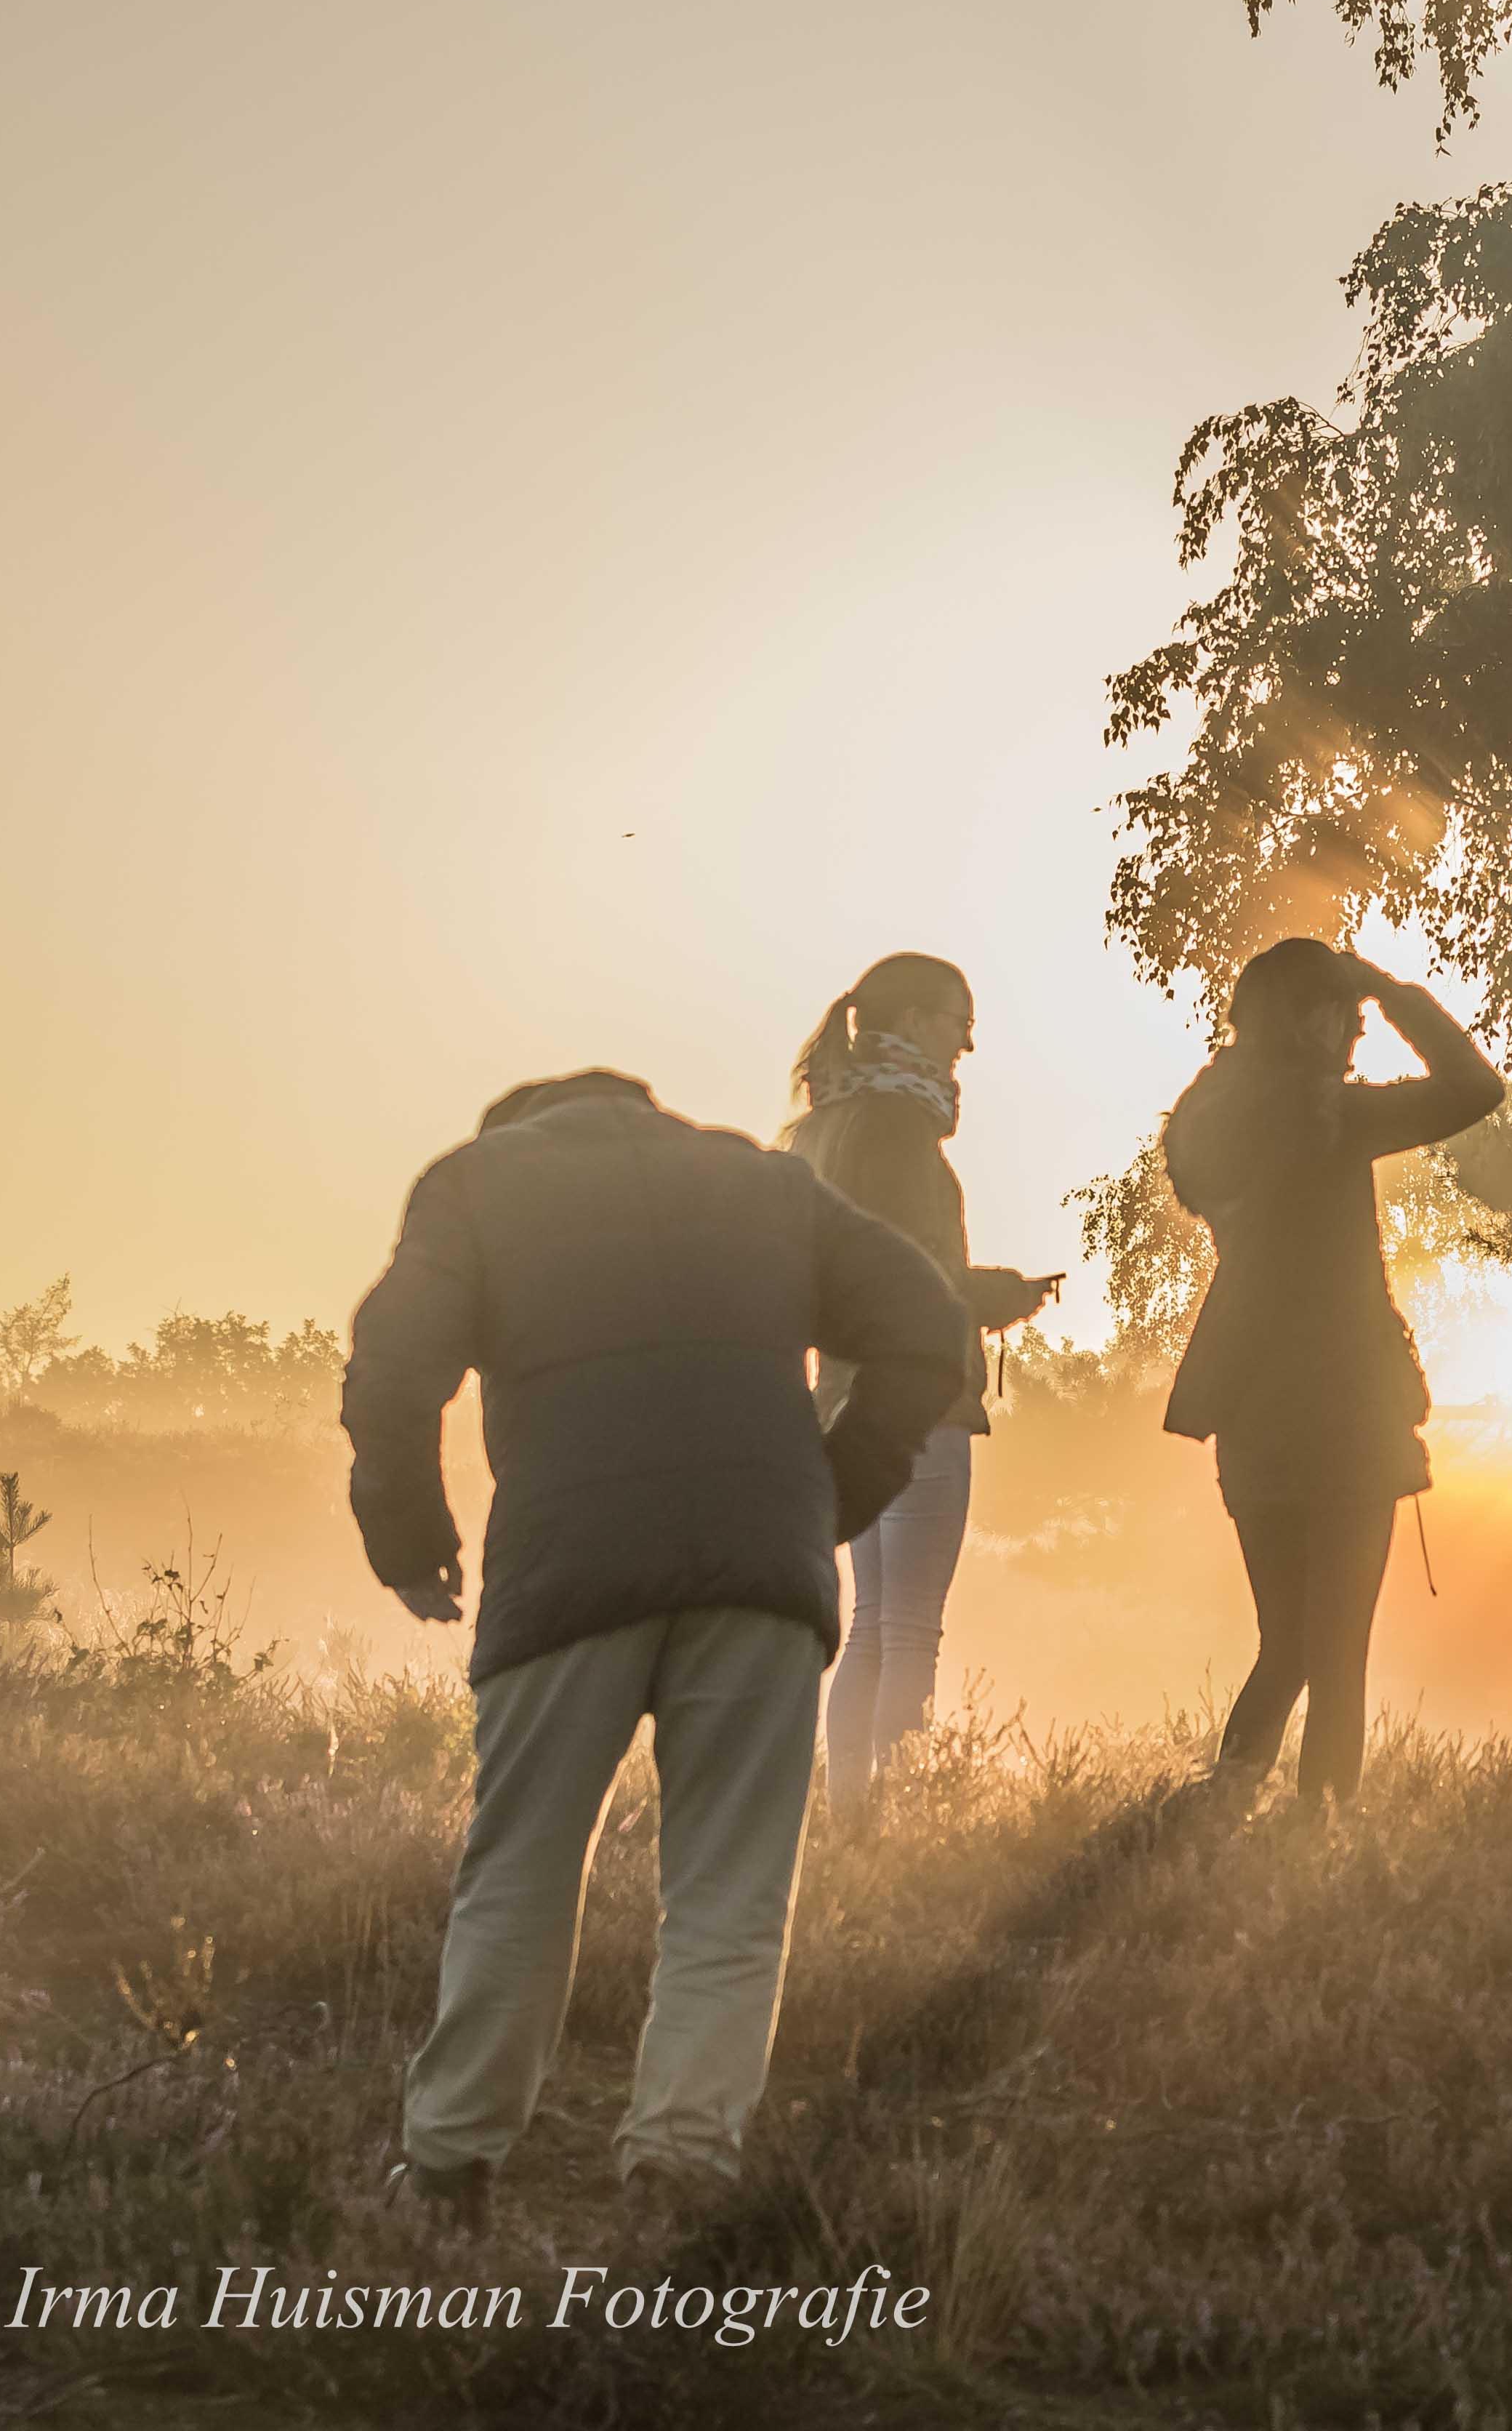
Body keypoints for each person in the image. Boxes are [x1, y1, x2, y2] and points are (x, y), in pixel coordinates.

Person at [343, 1069, 968, 2225]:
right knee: (730, 1887)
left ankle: (447, 2171)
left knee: (521, 1866)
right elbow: (930, 1325)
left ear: (518, 1130)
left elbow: (391, 1370)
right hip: (762, 1568)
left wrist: (410, 1535)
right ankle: (681, 2171)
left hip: (568, 1560)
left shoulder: (477, 1185)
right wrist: (837, 1488)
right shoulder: (764, 1185)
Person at [1159, 939, 1505, 1812]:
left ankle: (1224, 1801)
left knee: (1288, 1646)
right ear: (1314, 1019)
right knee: (1337, 1652)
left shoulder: (1211, 1125)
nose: (1357, 1037)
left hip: (1252, 1414)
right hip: (1347, 1415)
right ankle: (1319, 1836)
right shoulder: (1331, 1116)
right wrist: (1395, 991)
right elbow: (1476, 1088)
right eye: (1349, 1019)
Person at [781, 952, 1062, 1824]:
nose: (967, 1043)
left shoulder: (822, 1129)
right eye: (955, 1019)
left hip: (839, 1398)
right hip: (917, 1403)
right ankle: (900, 1824)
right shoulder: (901, 1133)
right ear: (906, 1023)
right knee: (910, 1630)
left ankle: (849, 1817)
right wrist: (1002, 1296)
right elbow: (917, 1280)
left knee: (868, 1624)